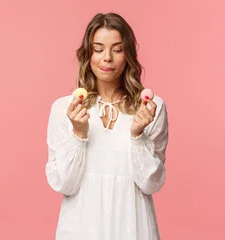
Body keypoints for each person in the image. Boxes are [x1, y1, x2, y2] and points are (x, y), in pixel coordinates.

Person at [45, 12, 169, 240]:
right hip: (80, 227)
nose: (107, 58)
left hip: (134, 227)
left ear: (128, 54)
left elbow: (151, 183)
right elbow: (63, 183)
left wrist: (137, 134)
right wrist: (79, 135)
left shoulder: (151, 107)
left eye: (118, 49)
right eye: (98, 49)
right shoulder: (65, 109)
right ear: (87, 54)